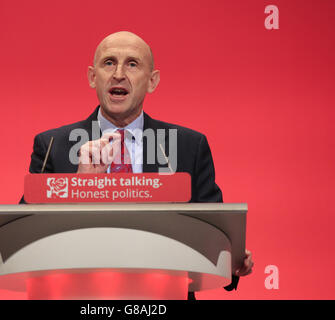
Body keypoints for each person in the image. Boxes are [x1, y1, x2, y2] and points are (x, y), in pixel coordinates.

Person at [21, 31, 253, 297]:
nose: (118, 73)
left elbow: (214, 234)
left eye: (132, 64)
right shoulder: (52, 145)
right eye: (108, 63)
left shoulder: (188, 146)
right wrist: (79, 187)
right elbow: (25, 238)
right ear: (92, 77)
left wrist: (232, 259)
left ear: (152, 81)